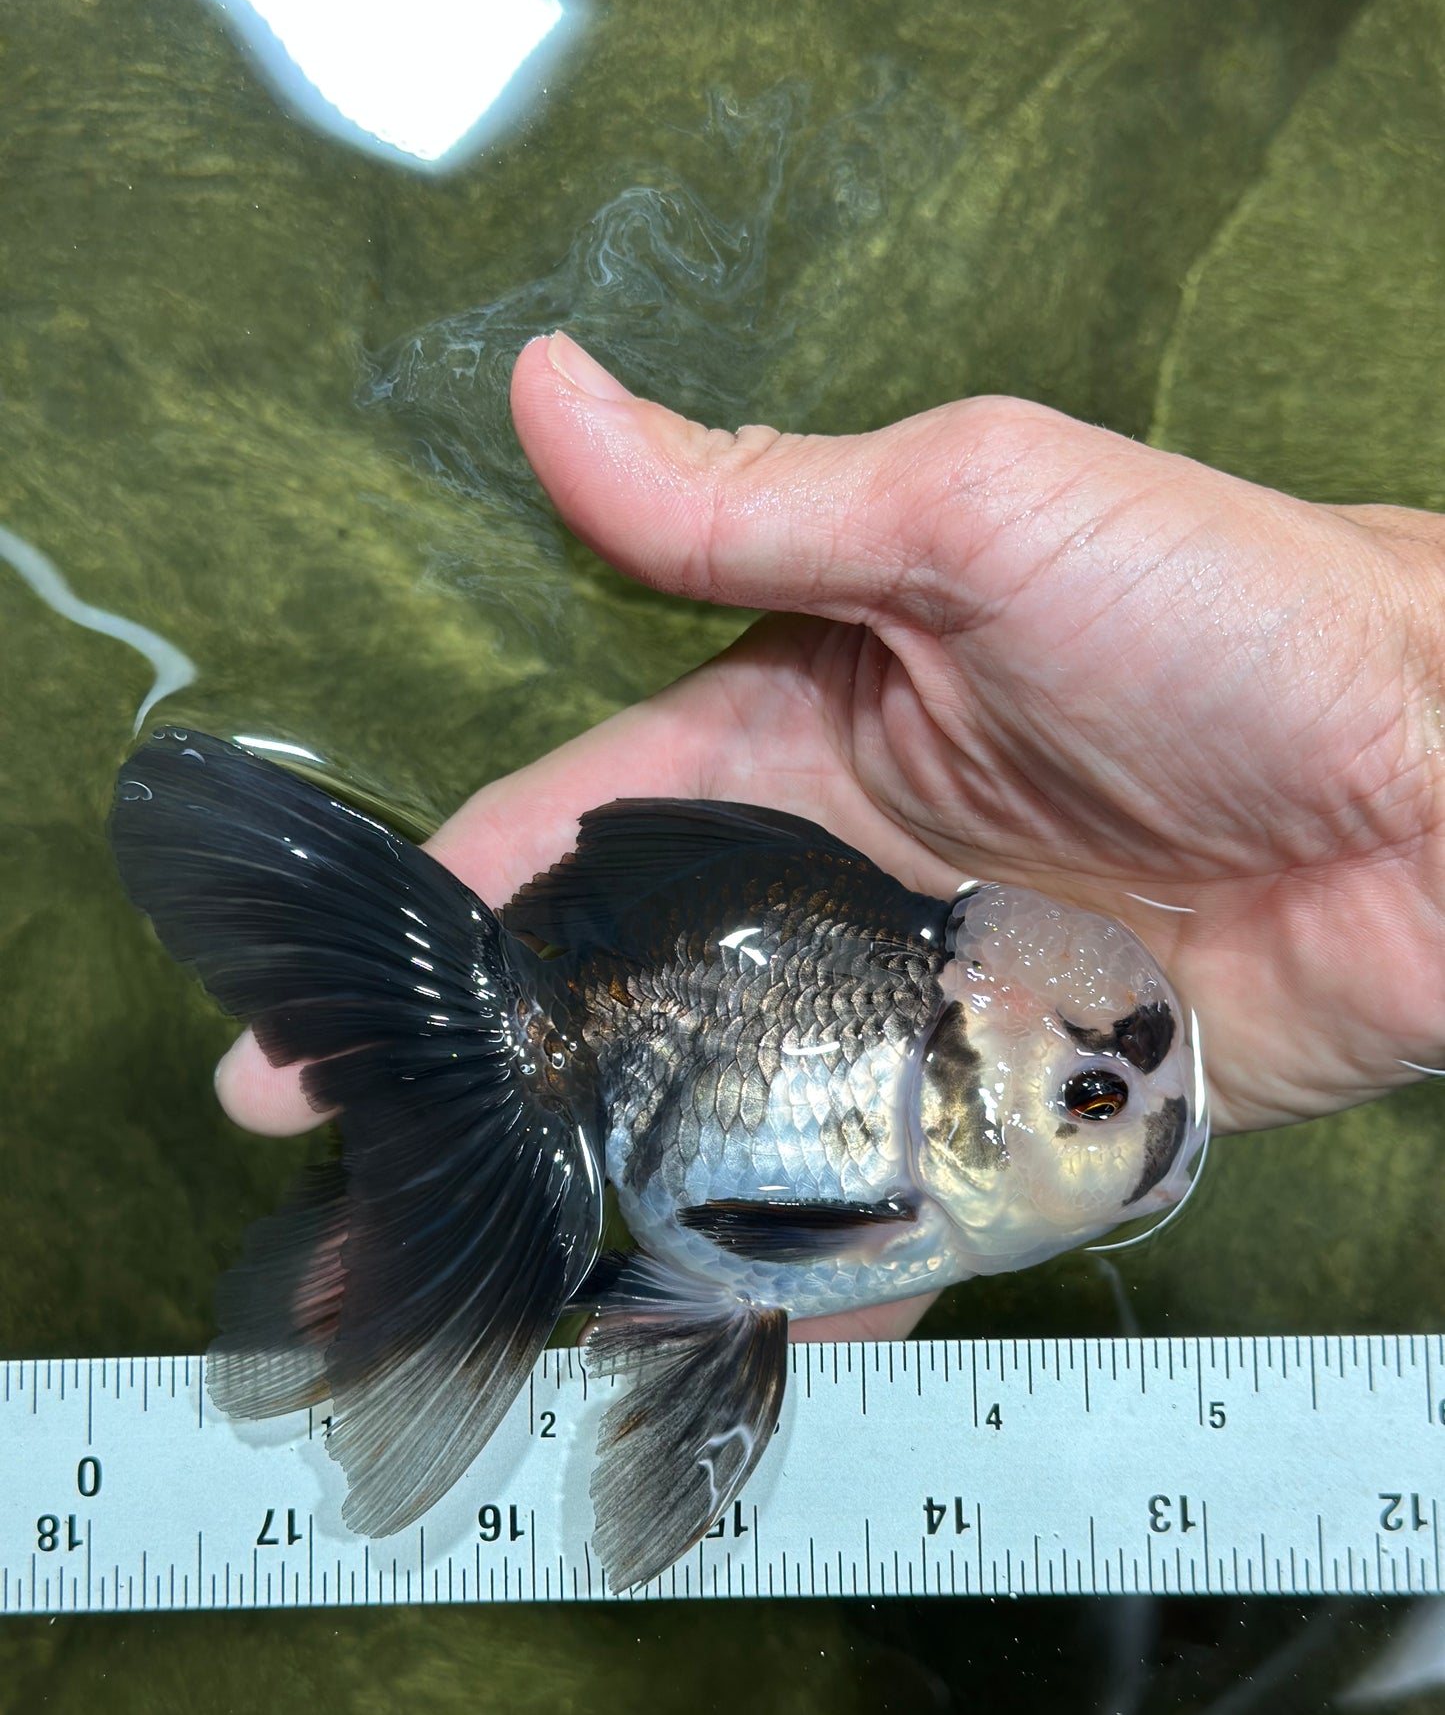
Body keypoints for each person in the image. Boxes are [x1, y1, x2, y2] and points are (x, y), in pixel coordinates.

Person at [214, 330, 1445, 1338]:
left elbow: (752, 1244)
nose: (1157, 1130)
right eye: (1086, 1099)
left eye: (1096, 1096)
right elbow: (762, 1240)